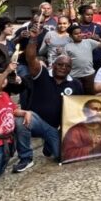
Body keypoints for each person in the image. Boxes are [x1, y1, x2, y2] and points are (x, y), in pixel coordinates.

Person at [21, 24, 78, 166]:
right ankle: (25, 158)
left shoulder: (76, 84)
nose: (63, 68)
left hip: (55, 127)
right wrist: (33, 40)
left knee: (62, 157)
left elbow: (78, 109)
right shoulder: (42, 75)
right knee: (19, 122)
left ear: (71, 69)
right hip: (35, 121)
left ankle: (50, 144)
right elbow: (30, 59)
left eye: (67, 66)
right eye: (60, 64)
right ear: (53, 65)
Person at [64, 24, 101, 93]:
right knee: (77, 96)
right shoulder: (67, 47)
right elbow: (65, 62)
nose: (79, 35)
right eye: (76, 34)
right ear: (70, 36)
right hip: (75, 76)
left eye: (80, 33)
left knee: (90, 96)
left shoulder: (88, 42)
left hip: (89, 75)